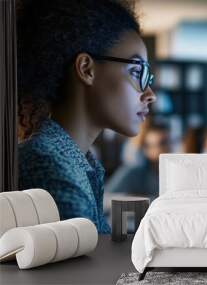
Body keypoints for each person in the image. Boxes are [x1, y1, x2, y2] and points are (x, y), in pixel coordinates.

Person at [17, 0, 156, 233]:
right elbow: (86, 266)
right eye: (136, 71)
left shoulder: (78, 162)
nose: (150, 94)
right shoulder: (51, 169)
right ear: (86, 69)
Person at [105, 123, 170, 201]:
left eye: (170, 141)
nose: (169, 147)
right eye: (163, 143)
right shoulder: (133, 172)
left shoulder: (175, 173)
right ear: (146, 149)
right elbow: (106, 198)